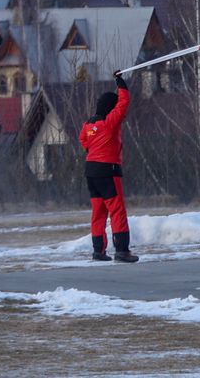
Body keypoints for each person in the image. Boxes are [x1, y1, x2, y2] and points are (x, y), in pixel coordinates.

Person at [80, 71, 137, 263]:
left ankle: (98, 251)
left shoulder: (87, 125)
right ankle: (122, 250)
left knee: (98, 212)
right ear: (109, 108)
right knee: (117, 210)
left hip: (91, 171)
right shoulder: (108, 123)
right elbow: (123, 104)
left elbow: (83, 142)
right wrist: (120, 83)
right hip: (108, 169)